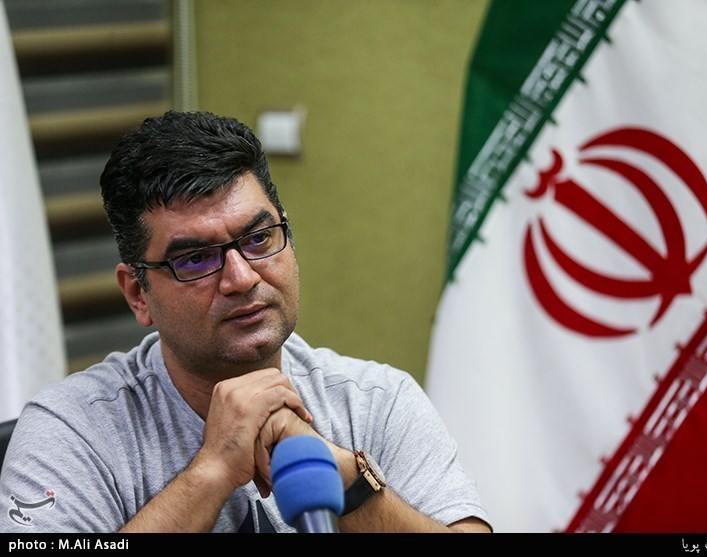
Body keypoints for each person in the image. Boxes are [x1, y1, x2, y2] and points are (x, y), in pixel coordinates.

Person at [0, 110, 492, 533]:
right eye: (195, 259)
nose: (240, 277)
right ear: (137, 293)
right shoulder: (72, 431)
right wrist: (211, 472)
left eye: (258, 239)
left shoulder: (375, 401)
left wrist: (344, 478)